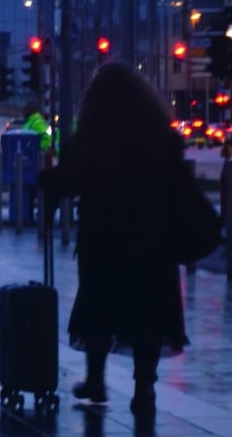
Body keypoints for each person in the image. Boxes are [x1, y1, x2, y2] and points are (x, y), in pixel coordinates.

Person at [38, 62, 196, 418]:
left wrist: (48, 183)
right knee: (149, 315)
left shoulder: (93, 139)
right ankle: (144, 387)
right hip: (153, 243)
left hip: (103, 241)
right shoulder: (161, 138)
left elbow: (70, 178)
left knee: (99, 310)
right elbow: (179, 187)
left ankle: (96, 380)